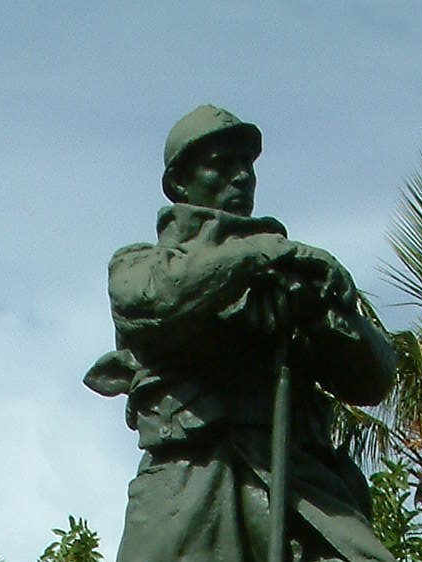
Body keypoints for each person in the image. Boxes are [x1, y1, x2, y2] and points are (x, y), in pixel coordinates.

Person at [85, 105, 396, 562]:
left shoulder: (293, 276)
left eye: (247, 165)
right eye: (221, 164)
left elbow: (373, 380)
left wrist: (323, 313)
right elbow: (158, 299)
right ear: (180, 183)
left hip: (296, 481)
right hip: (190, 480)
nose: (242, 177)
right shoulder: (140, 264)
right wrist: (263, 253)